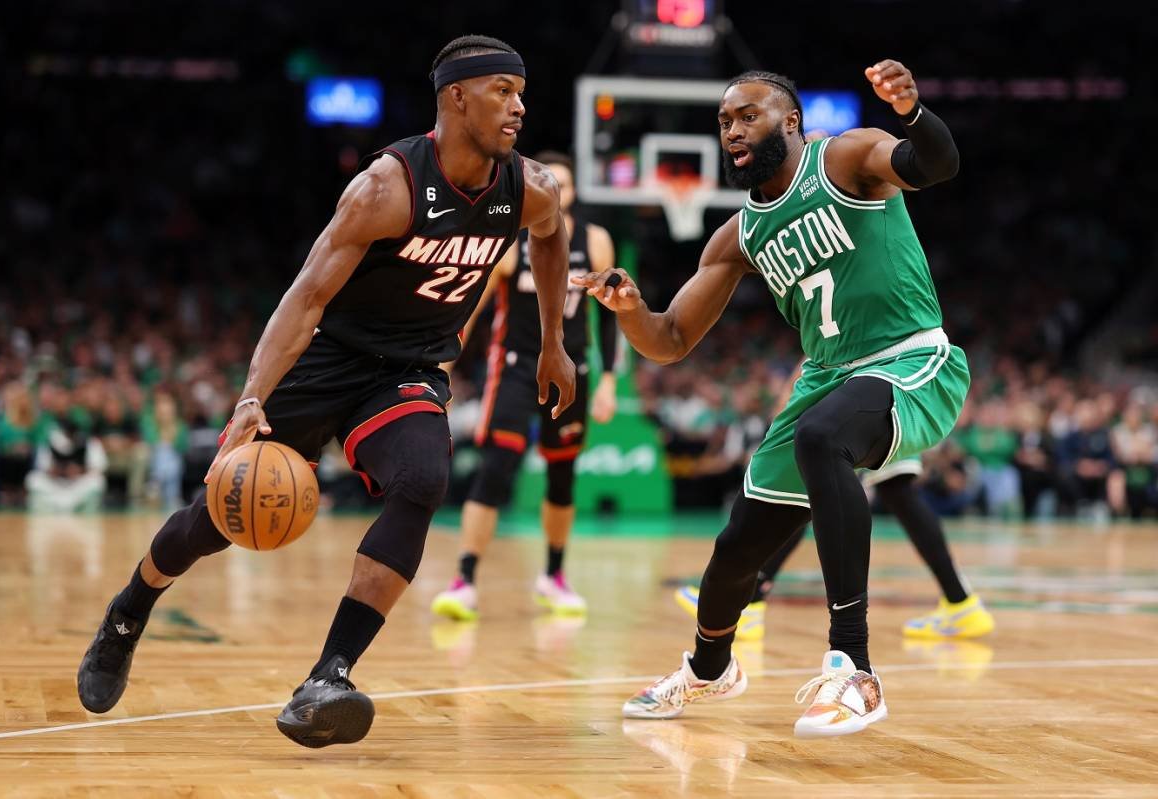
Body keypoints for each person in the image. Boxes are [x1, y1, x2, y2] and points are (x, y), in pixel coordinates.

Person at [76, 35, 577, 749]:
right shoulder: (389, 187)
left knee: (424, 478)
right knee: (221, 514)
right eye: (503, 90)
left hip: (407, 369)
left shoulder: (528, 189)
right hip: (327, 358)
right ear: (456, 97)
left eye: (522, 91)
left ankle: (327, 676)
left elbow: (551, 236)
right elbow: (306, 297)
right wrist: (253, 395)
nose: (519, 106)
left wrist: (554, 340)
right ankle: (130, 608)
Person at [576, 59, 967, 738]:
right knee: (734, 549)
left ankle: (855, 667)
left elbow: (932, 165)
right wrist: (630, 308)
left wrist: (910, 111)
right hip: (828, 377)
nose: (732, 128)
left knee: (821, 436)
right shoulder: (738, 235)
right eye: (724, 119)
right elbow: (669, 339)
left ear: (790, 122)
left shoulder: (844, 157)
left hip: (912, 358)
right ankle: (707, 669)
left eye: (747, 115)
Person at [675, 362, 994, 641]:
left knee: (813, 482)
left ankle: (754, 601)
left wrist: (791, 390)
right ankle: (960, 600)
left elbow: (827, 337)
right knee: (887, 490)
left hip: (872, 379)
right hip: (891, 378)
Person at [432, 151, 618, 620]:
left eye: (567, 186)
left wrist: (608, 380)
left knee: (562, 477)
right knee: (496, 468)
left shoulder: (595, 243)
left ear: (574, 194)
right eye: (551, 185)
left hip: (572, 372)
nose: (560, 193)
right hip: (516, 368)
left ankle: (553, 577)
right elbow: (472, 308)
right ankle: (465, 579)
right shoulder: (510, 243)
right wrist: (446, 361)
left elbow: (610, 318)